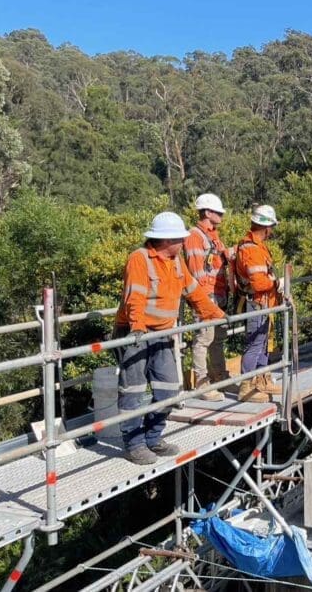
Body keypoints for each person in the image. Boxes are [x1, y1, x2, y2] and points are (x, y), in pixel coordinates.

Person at [114, 212, 226, 465]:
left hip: (162, 334)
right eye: (180, 239)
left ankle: (153, 438)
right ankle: (134, 444)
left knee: (167, 390)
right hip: (135, 333)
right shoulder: (139, 259)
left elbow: (194, 292)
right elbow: (135, 296)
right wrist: (137, 327)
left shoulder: (176, 262)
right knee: (133, 391)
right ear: (166, 240)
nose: (184, 243)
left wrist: (216, 314)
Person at [184, 193, 232, 401]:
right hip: (206, 297)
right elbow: (197, 272)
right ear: (207, 212)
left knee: (218, 338)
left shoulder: (213, 236)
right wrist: (205, 301)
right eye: (218, 212)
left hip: (218, 294)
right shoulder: (194, 236)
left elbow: (219, 260)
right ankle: (202, 384)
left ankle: (220, 376)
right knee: (203, 339)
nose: (221, 215)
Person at [233, 205, 283, 403]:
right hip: (256, 303)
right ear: (267, 227)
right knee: (254, 345)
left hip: (264, 303)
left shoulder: (257, 246)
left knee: (262, 344)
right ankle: (246, 387)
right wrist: (277, 283)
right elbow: (259, 282)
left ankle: (262, 379)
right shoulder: (252, 249)